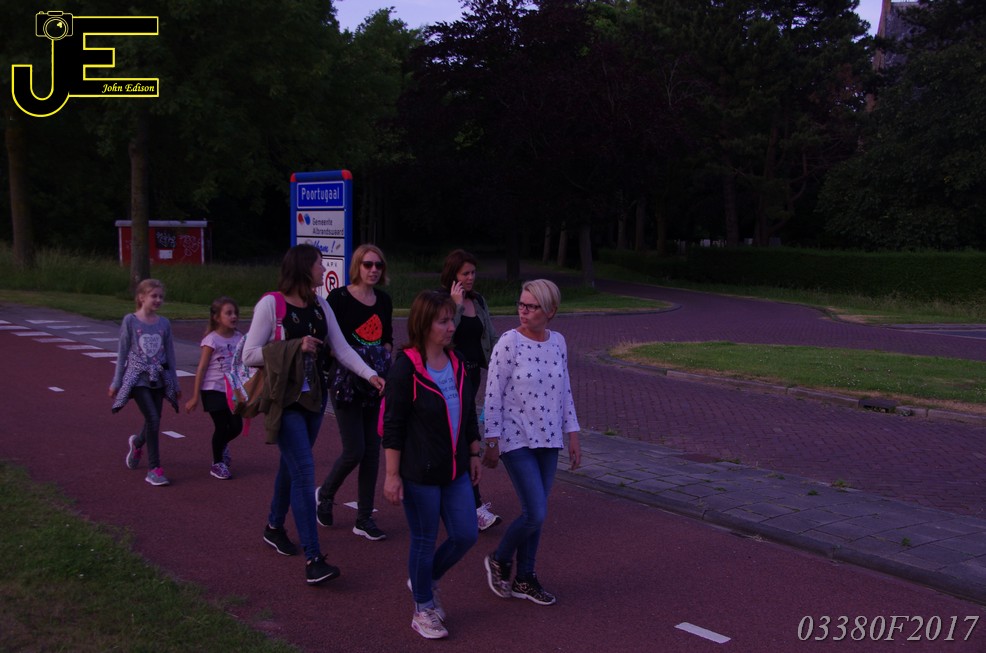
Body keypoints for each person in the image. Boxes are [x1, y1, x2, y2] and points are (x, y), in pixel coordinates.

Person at [242, 244, 385, 585]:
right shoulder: (271, 305)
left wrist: (370, 375)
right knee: (305, 472)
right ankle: (313, 558)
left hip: (315, 400)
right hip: (284, 400)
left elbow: (341, 348)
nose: (323, 270)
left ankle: (274, 526)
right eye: (319, 264)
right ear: (304, 268)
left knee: (291, 465)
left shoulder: (321, 305)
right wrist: (295, 346)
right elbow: (249, 354)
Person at [382, 290, 482, 640]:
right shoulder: (405, 369)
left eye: (451, 319)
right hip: (419, 473)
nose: (451, 327)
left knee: (466, 534)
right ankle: (422, 608)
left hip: (455, 469)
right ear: (424, 325)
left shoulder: (457, 362)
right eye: (443, 321)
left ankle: (424, 580)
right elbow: (393, 426)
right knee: (424, 539)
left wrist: (473, 451)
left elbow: (468, 409)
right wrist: (391, 475)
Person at [481, 279, 581, 606]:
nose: (523, 311)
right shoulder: (509, 342)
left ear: (550, 311)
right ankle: (499, 558)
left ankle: (525, 577)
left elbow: (565, 391)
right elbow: (493, 393)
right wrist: (491, 440)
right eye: (521, 304)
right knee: (536, 513)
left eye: (532, 307)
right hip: (516, 437)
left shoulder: (558, 342)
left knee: (535, 511)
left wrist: (573, 433)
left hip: (549, 439)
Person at [316, 244, 393, 541]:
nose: (374, 270)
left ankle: (364, 518)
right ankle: (325, 494)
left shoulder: (383, 300)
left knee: (372, 451)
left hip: (375, 382)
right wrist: (357, 359)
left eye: (378, 265)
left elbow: (386, 338)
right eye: (368, 264)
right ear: (357, 266)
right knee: (354, 450)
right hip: (345, 382)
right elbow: (331, 342)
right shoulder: (339, 298)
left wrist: (382, 359)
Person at [439, 249, 501, 531]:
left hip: (473, 376)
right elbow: (446, 334)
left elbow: (490, 336)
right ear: (453, 275)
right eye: (465, 273)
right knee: (464, 439)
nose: (470, 278)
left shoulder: (479, 300)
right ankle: (473, 506)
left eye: (473, 272)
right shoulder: (442, 302)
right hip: (450, 378)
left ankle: (453, 499)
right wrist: (455, 305)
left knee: (461, 438)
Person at [109, 278, 181, 487]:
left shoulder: (164, 323)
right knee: (153, 418)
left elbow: (170, 355)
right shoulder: (130, 321)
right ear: (141, 297)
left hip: (158, 379)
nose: (158, 300)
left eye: (161, 297)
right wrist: (116, 382)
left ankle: (137, 442)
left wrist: (175, 383)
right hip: (138, 378)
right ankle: (154, 469)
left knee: (154, 419)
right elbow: (123, 352)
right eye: (153, 296)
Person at [184, 296, 243, 480]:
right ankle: (217, 463)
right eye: (228, 313)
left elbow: (243, 363)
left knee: (236, 426)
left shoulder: (240, 338)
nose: (233, 316)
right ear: (217, 317)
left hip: (232, 390)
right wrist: (195, 396)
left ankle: (221, 446)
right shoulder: (211, 340)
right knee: (221, 425)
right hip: (213, 389)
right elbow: (201, 368)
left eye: (235, 313)